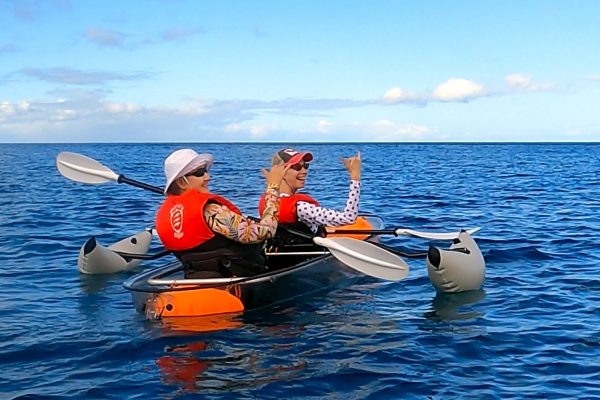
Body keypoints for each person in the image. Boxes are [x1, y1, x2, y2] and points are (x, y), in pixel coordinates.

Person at [155, 148, 288, 278]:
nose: (208, 177)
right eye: (199, 172)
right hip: (234, 276)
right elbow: (266, 231)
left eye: (206, 170)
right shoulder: (211, 211)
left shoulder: (164, 214)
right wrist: (273, 188)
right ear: (181, 182)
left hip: (195, 275)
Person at [258, 148, 362, 240]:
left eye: (306, 166)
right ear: (281, 172)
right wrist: (355, 177)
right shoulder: (301, 208)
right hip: (310, 255)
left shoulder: (268, 203)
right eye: (297, 167)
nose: (304, 171)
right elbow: (349, 218)